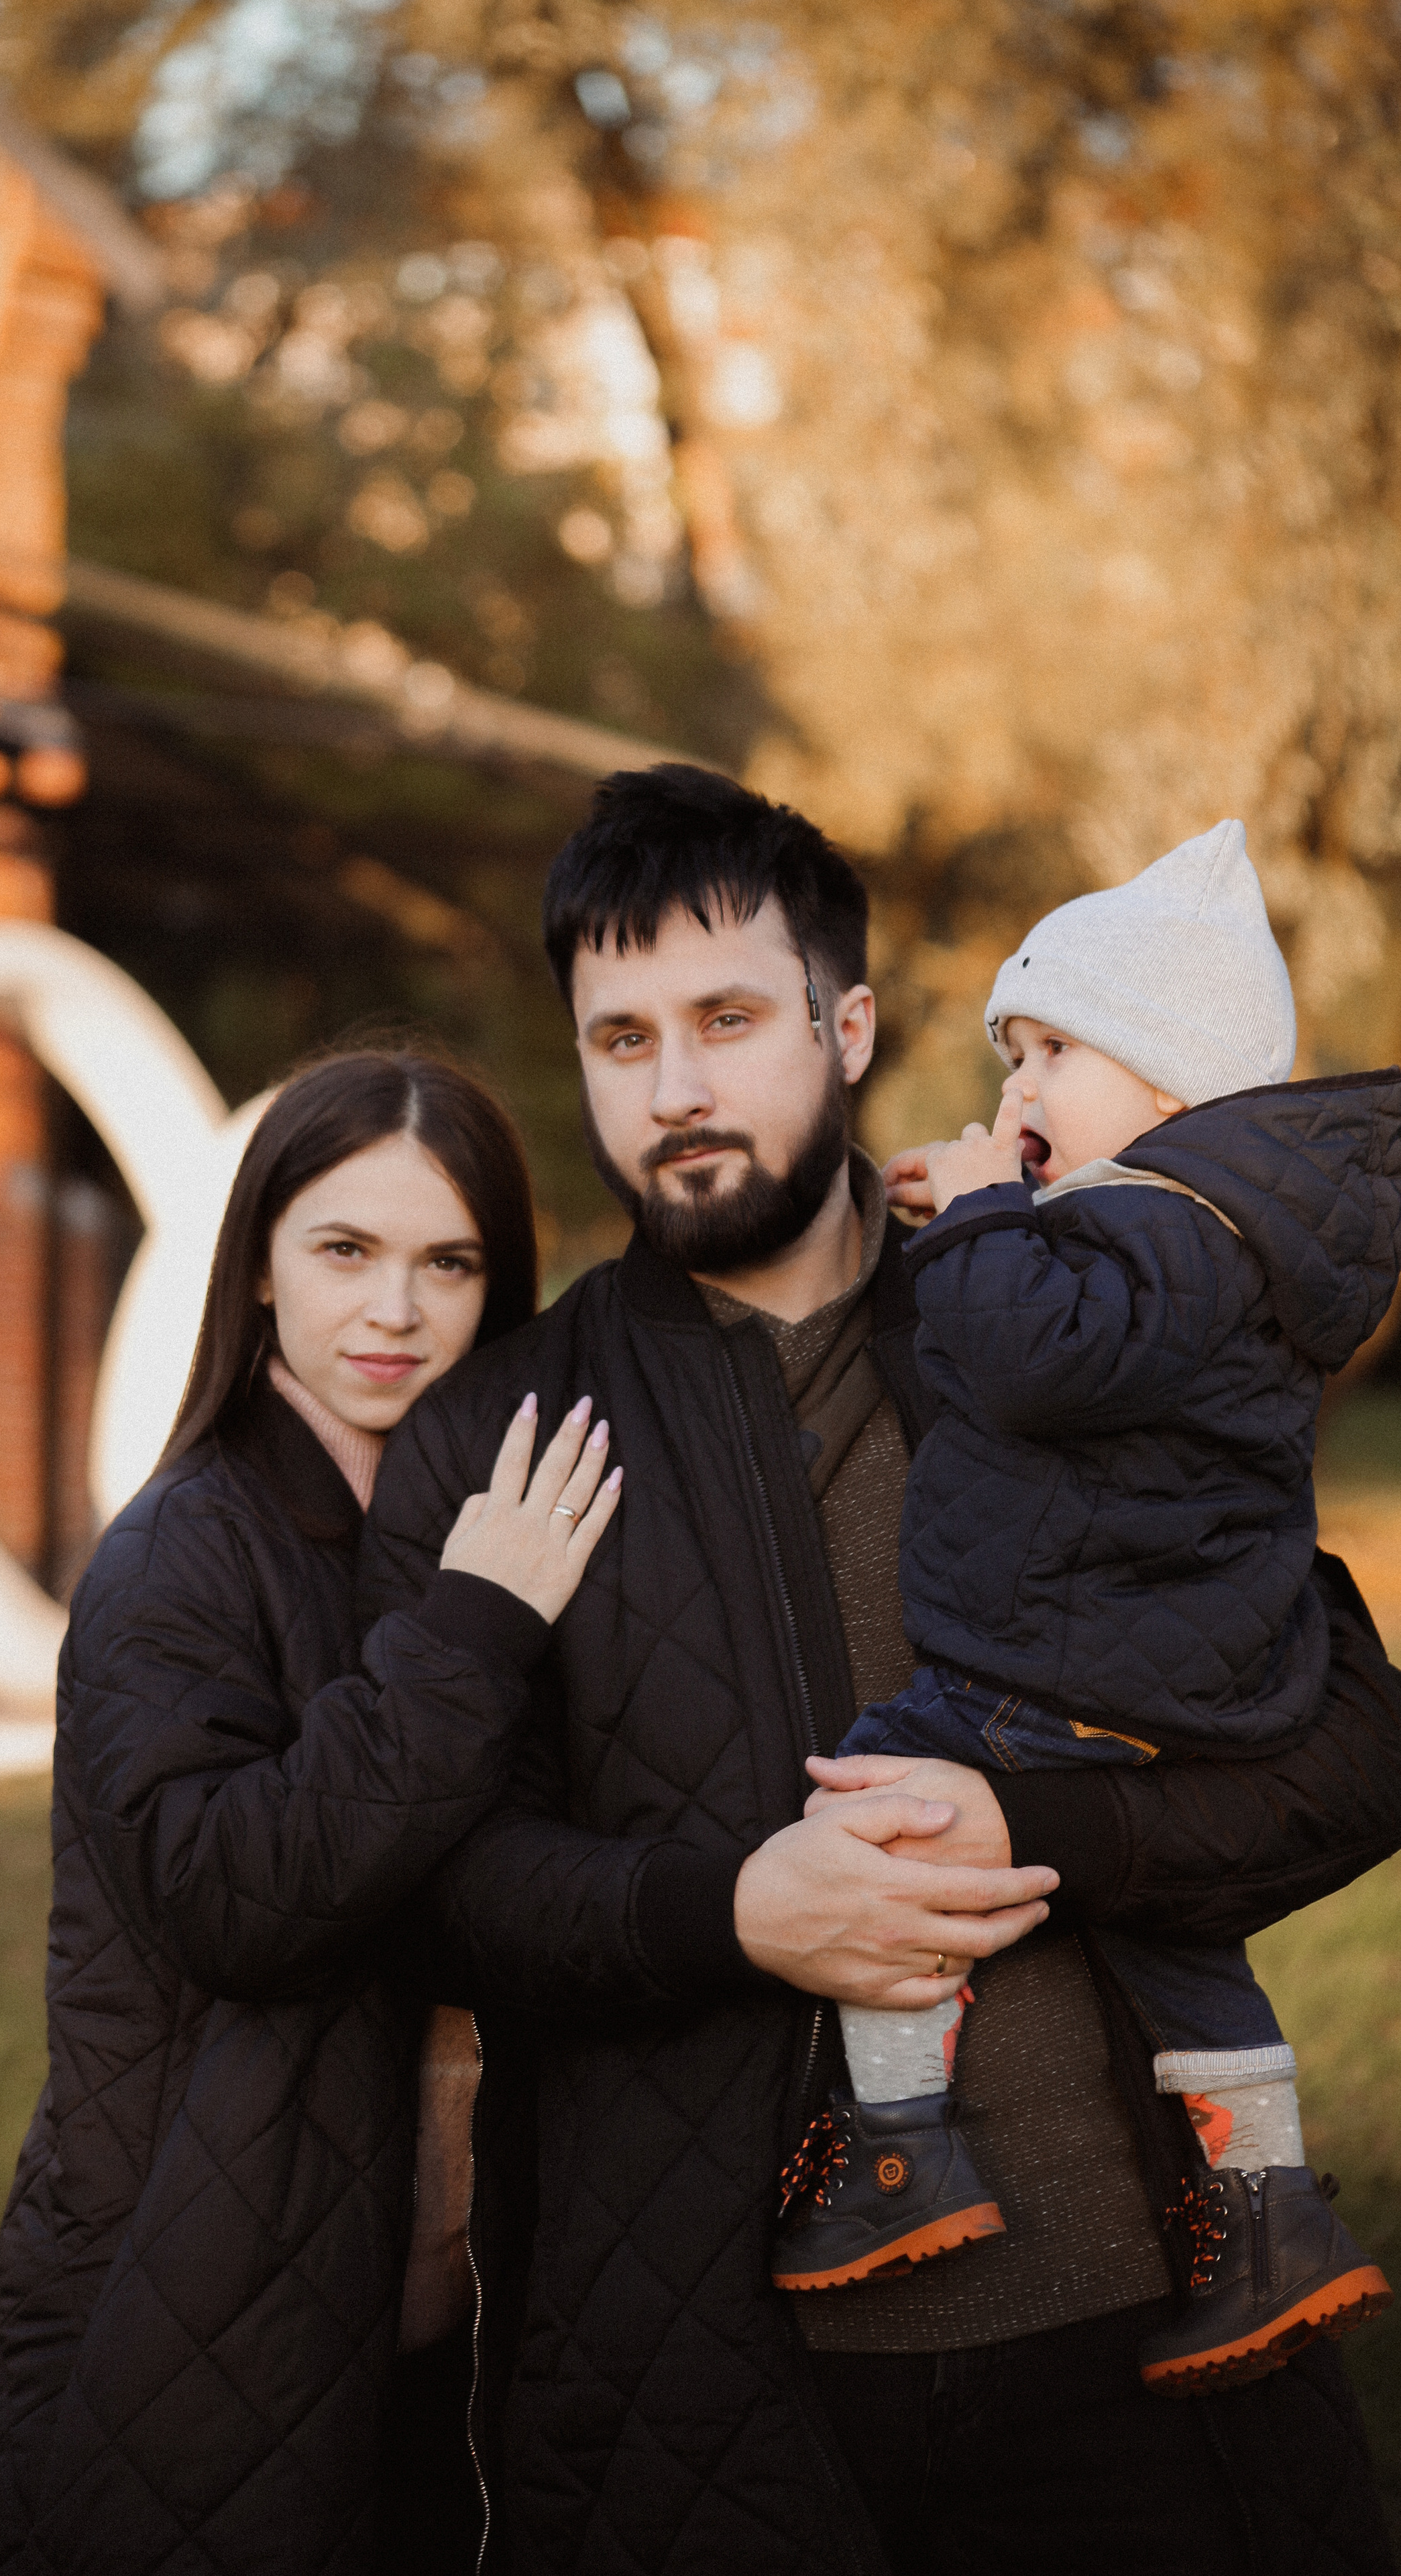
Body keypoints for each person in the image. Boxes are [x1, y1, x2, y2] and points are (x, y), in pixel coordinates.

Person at [358, 766, 1401, 2576]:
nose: (673, 1088)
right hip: (708, 2395)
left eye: (729, 1019)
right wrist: (734, 1910)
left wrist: (1036, 1817)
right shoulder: (495, 1435)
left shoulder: (1090, 1312)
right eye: (620, 1037)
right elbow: (431, 1892)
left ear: (849, 1026)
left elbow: (1348, 1760)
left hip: (1132, 2349)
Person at [0, 1046, 622, 2576]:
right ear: (259, 1264)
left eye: (445, 1263)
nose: (391, 1312)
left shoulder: (496, 1520)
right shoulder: (180, 1557)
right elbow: (231, 1894)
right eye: (344, 1251)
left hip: (443, 2312)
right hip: (196, 2306)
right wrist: (470, 1630)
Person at [771, 820, 1397, 2400]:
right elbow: (1073, 1316)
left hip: (1048, 1661)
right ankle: (1264, 2211)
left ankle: (899, 2148)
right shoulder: (1206, 1231)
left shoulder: (1168, 1220)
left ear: (1173, 1081)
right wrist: (976, 1205)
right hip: (1178, 1676)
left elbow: (1040, 1357)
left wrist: (983, 1220)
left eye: (1051, 1050)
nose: (1016, 1092)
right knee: (1176, 1933)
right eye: (1010, 1056)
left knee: (877, 1796)